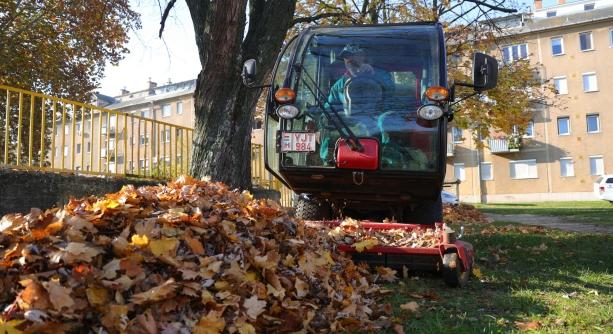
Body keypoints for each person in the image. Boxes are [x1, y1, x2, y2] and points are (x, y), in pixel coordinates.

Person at [318, 44, 395, 164]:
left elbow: (391, 93)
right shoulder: (339, 84)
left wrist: (372, 74)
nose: (350, 60)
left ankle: (387, 159)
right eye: (346, 57)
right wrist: (326, 116)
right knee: (328, 119)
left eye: (354, 56)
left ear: (363, 57)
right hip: (351, 119)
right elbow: (329, 108)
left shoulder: (382, 75)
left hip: (377, 116)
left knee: (387, 120)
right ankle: (328, 161)